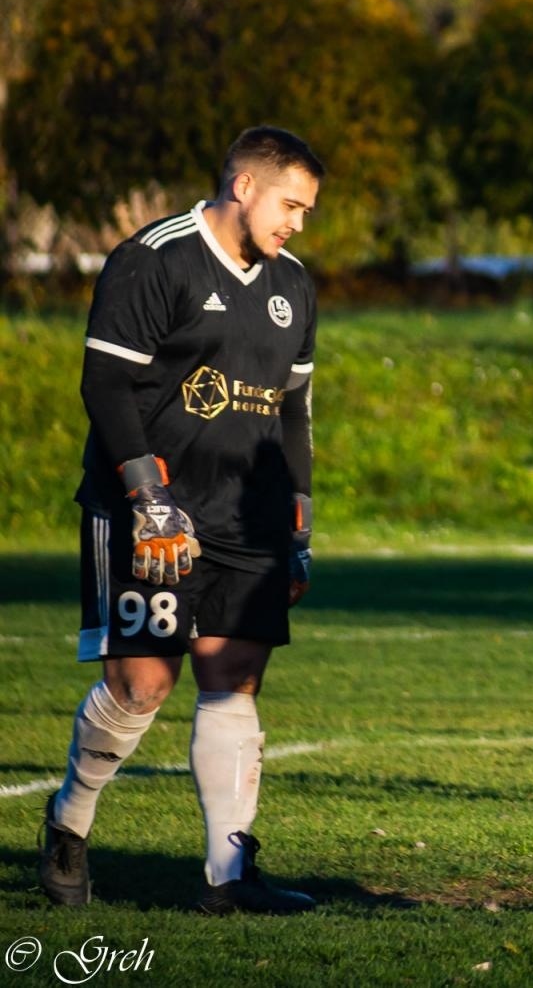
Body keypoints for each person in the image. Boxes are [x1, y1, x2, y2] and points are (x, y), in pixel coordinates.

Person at [40, 126, 323, 915]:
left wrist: (297, 528)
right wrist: (146, 498)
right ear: (244, 186)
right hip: (148, 511)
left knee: (233, 678)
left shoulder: (293, 284)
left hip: (247, 520)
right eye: (291, 205)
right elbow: (104, 385)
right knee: (141, 684)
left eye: (306, 210)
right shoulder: (152, 258)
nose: (298, 223)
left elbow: (293, 411)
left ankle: (228, 878)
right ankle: (69, 821)